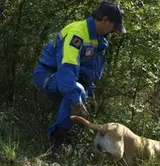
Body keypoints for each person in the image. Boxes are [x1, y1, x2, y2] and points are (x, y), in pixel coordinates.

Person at [32, 1, 126, 156]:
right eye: (114, 27)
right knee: (76, 92)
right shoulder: (78, 34)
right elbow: (66, 71)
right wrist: (77, 98)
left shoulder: (98, 39)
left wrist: (91, 92)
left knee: (81, 92)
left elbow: (88, 71)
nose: (115, 31)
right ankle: (57, 142)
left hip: (65, 78)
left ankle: (69, 139)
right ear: (105, 20)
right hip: (46, 75)